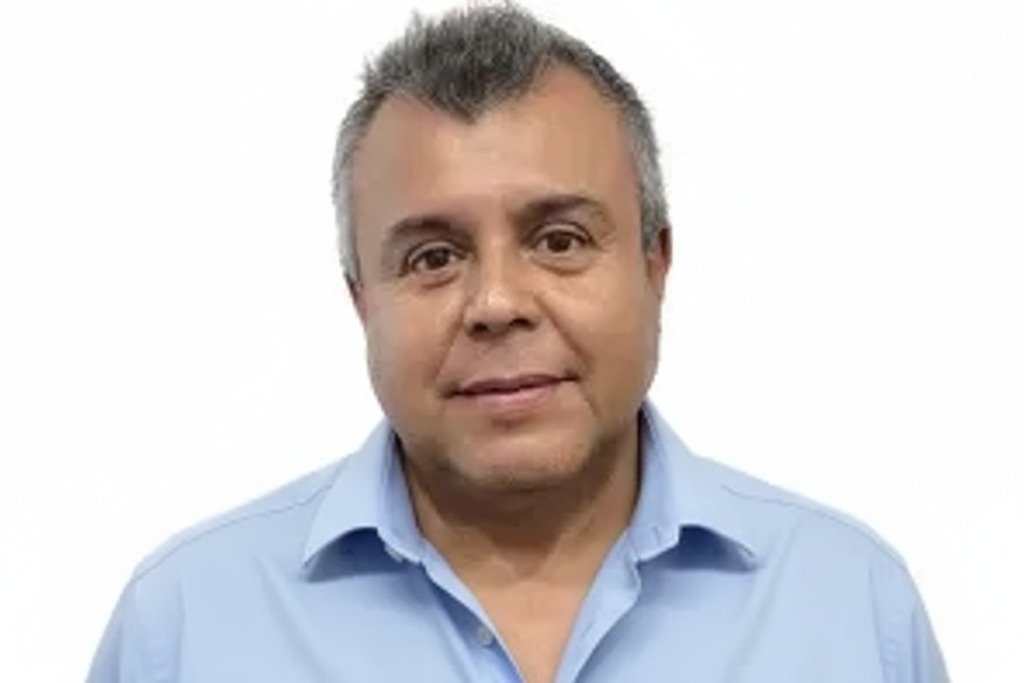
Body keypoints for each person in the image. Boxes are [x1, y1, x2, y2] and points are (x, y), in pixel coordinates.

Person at [88, 4, 948, 682]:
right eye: (433, 256)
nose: (496, 302)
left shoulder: (850, 606)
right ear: (361, 301)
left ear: (657, 263)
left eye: (561, 240)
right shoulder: (188, 626)